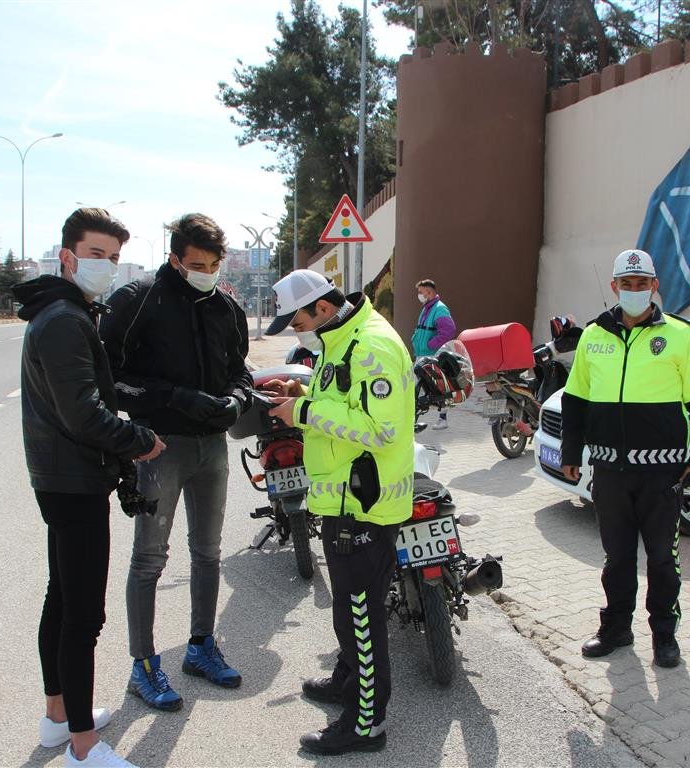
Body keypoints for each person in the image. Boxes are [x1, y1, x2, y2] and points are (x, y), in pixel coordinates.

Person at [15, 208, 165, 768]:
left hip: (63, 477)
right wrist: (140, 439)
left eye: (114, 257)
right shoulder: (64, 320)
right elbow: (83, 414)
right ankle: (83, 745)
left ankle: (58, 718)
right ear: (68, 256)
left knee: (61, 599)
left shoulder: (63, 311)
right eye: (96, 254)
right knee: (82, 616)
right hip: (73, 480)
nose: (107, 265)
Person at [100, 213, 252, 711]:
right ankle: (143, 666)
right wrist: (174, 397)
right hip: (158, 446)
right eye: (195, 265)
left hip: (213, 448)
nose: (205, 273)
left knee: (208, 552)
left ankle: (201, 647)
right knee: (149, 558)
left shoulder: (226, 307)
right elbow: (108, 379)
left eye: (213, 265)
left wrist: (235, 401)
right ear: (174, 259)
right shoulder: (137, 299)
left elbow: (240, 372)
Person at [263, 269, 414, 755]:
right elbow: (342, 403)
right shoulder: (339, 338)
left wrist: (303, 414)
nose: (296, 332)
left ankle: (366, 724)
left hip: (365, 506)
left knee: (360, 618)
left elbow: (382, 429)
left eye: (298, 322)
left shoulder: (371, 346)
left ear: (322, 309)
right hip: (345, 500)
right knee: (350, 612)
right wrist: (301, 398)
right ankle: (348, 681)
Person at [559, 249, 690, 669]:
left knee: (663, 559)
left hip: (662, 473)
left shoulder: (681, 335)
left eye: (641, 283)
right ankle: (616, 628)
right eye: (626, 284)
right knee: (617, 558)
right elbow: (575, 400)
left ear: (654, 286)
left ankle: (665, 635)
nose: (634, 290)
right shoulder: (594, 335)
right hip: (609, 470)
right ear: (615, 286)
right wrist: (571, 452)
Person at [410, 279, 456, 429]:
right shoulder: (427, 308)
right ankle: (412, 418)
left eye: (421, 292)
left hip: (431, 355)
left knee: (438, 387)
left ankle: (442, 418)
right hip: (423, 354)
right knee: (419, 386)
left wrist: (430, 344)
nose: (419, 295)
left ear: (429, 292)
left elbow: (448, 330)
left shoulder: (439, 309)